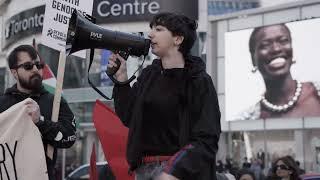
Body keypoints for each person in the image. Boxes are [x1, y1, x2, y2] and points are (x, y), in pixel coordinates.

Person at [108, 12, 221, 180]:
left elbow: (207, 138)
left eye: (159, 29)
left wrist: (173, 170)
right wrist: (122, 80)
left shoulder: (198, 80)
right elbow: (129, 117)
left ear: (178, 39)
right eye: (151, 29)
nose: (150, 34)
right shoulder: (148, 75)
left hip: (181, 173)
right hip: (144, 171)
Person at [0, 45, 76, 180]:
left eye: (38, 65)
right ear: (14, 72)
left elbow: (70, 137)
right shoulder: (2, 104)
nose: (35, 69)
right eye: (28, 66)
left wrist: (41, 122)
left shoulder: (56, 102)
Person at [238, 23, 320, 120]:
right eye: (265, 45)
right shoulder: (246, 119)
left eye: (283, 41)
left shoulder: (316, 93)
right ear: (253, 59)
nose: (276, 49)